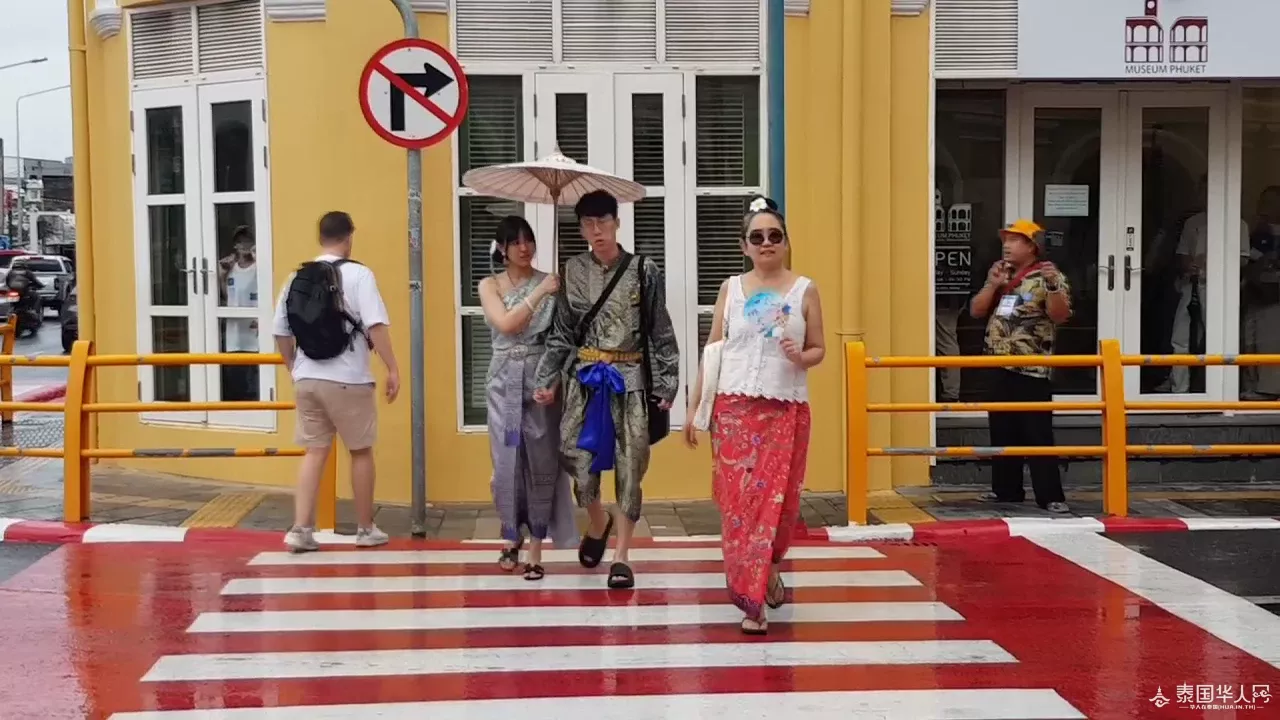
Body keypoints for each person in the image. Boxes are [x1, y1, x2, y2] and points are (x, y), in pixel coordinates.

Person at [685, 196, 824, 635]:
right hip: (733, 411)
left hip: (784, 409)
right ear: (744, 245)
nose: (766, 243)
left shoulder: (805, 290)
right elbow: (714, 348)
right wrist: (695, 406)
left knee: (777, 506)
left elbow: (819, 349)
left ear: (786, 242)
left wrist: (800, 356)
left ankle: (769, 567)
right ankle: (752, 601)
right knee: (740, 508)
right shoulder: (731, 289)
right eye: (757, 237)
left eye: (774, 235)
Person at [533, 189, 680, 589]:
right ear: (581, 229)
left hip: (629, 381)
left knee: (631, 465)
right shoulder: (571, 271)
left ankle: (622, 556)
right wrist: (546, 378)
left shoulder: (643, 270)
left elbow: (660, 329)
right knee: (576, 458)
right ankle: (599, 522)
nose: (596, 231)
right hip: (584, 380)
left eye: (603, 222)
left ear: (617, 222)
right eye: (588, 224)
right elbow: (562, 333)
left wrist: (667, 383)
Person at [272, 211, 399, 552]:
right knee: (360, 451)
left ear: (321, 237)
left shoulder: (296, 276)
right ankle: (365, 528)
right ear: (349, 236)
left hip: (307, 378)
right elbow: (375, 326)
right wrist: (392, 368)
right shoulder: (359, 274)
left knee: (314, 452)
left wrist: (293, 367)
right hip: (348, 379)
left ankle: (300, 529)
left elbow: (281, 331)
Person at [479, 216, 579, 580]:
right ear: (502, 248)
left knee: (542, 461)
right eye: (515, 242)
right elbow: (507, 324)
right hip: (503, 382)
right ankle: (511, 535)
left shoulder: (552, 283)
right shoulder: (490, 285)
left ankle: (537, 544)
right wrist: (539, 292)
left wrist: (553, 383)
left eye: (528, 240)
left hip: (540, 379)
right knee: (506, 461)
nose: (524, 248)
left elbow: (562, 340)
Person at [968, 219, 1072, 514]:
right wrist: (993, 285)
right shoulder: (1002, 273)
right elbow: (976, 311)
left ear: (1032, 247)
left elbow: (1060, 315)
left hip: (1031, 368)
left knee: (1037, 432)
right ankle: (1006, 490)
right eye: (1006, 239)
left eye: (1015, 240)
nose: (1007, 245)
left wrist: (1053, 286)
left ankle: (1050, 495)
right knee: (1001, 430)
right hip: (998, 364)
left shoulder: (1047, 276)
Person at [218, 225, 260, 401]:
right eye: (240, 242)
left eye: (248, 241)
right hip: (235, 333)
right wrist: (222, 276)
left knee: (254, 379)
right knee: (237, 378)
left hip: (253, 332)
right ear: (235, 245)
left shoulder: (258, 267)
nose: (244, 245)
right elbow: (227, 296)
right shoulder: (230, 268)